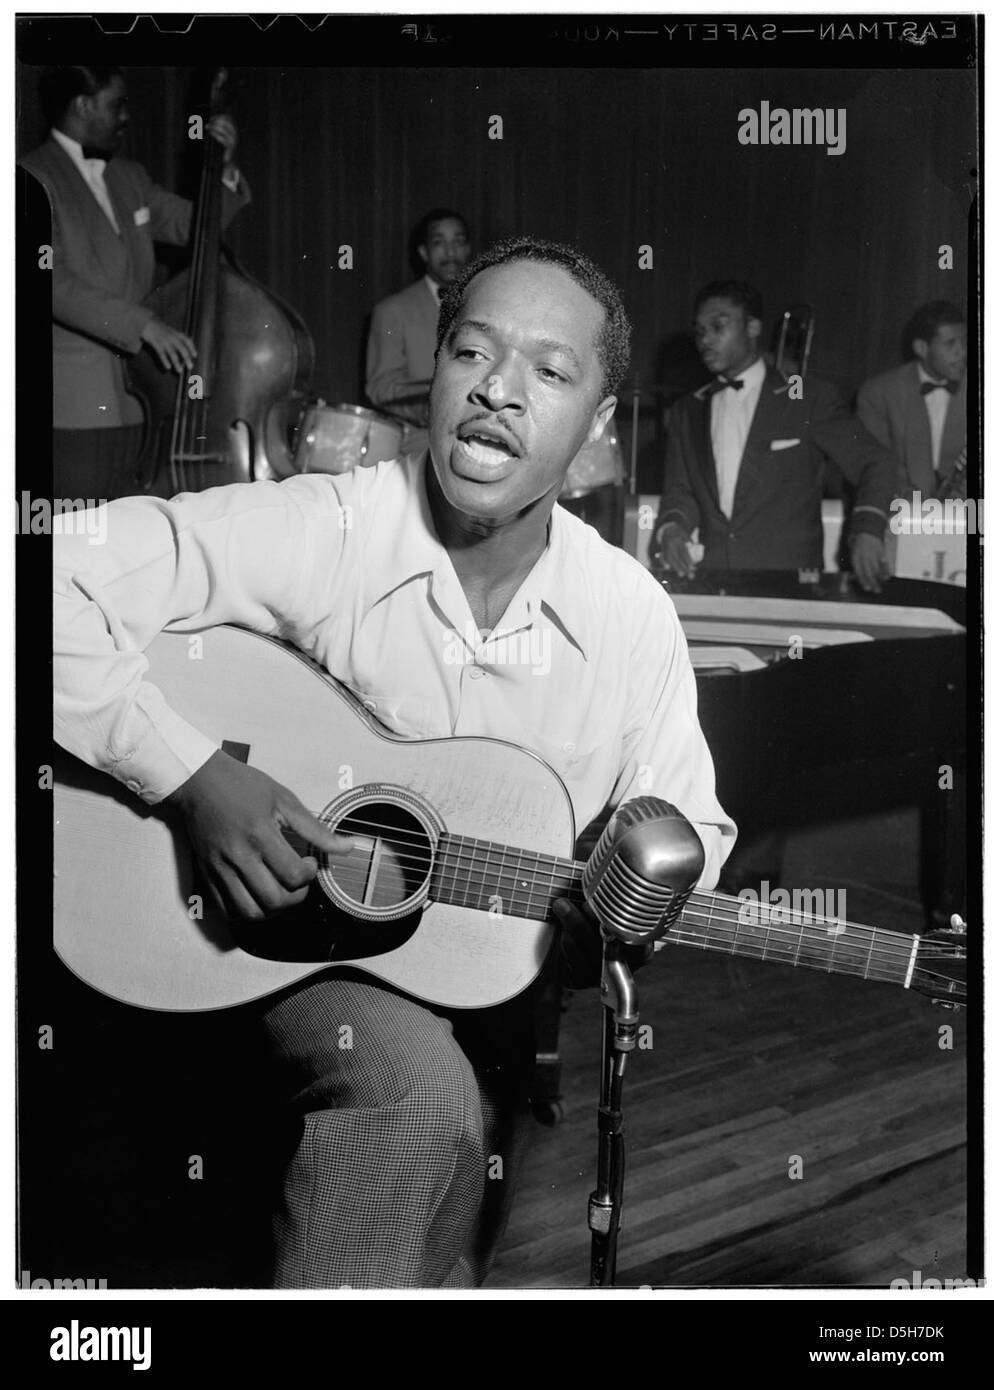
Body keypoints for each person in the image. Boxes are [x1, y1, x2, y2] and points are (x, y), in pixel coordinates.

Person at [54, 237, 735, 1288]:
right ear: (438, 374)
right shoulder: (330, 526)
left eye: (549, 373)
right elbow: (47, 581)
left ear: (598, 425)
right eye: (473, 353)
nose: (498, 392)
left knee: (441, 1235)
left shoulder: (628, 613)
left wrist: (647, 882)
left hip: (492, 996)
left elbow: (689, 825)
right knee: (418, 1101)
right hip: (279, 958)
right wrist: (192, 777)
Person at [20, 65, 250, 500]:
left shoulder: (130, 177)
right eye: (116, 104)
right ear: (82, 105)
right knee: (78, 537)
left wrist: (225, 165)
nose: (126, 116)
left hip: (140, 400)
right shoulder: (28, 177)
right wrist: (144, 325)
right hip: (74, 406)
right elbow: (49, 281)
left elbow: (193, 226)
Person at [650, 280, 897, 591]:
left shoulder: (807, 398)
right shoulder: (688, 409)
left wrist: (868, 528)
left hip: (789, 584)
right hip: (712, 582)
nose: (706, 340)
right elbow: (680, 491)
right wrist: (672, 529)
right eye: (700, 331)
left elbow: (876, 462)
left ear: (753, 327)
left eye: (718, 326)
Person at [365, 208, 471, 457]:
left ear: (468, 248)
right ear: (424, 252)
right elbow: (382, 388)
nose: (451, 251)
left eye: (458, 241)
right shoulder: (391, 311)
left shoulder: (490, 305)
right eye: (439, 242)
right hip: (421, 446)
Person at [857, 301, 967, 499]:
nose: (963, 352)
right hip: (900, 513)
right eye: (951, 344)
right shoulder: (878, 393)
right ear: (922, 348)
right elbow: (875, 468)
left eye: (964, 342)